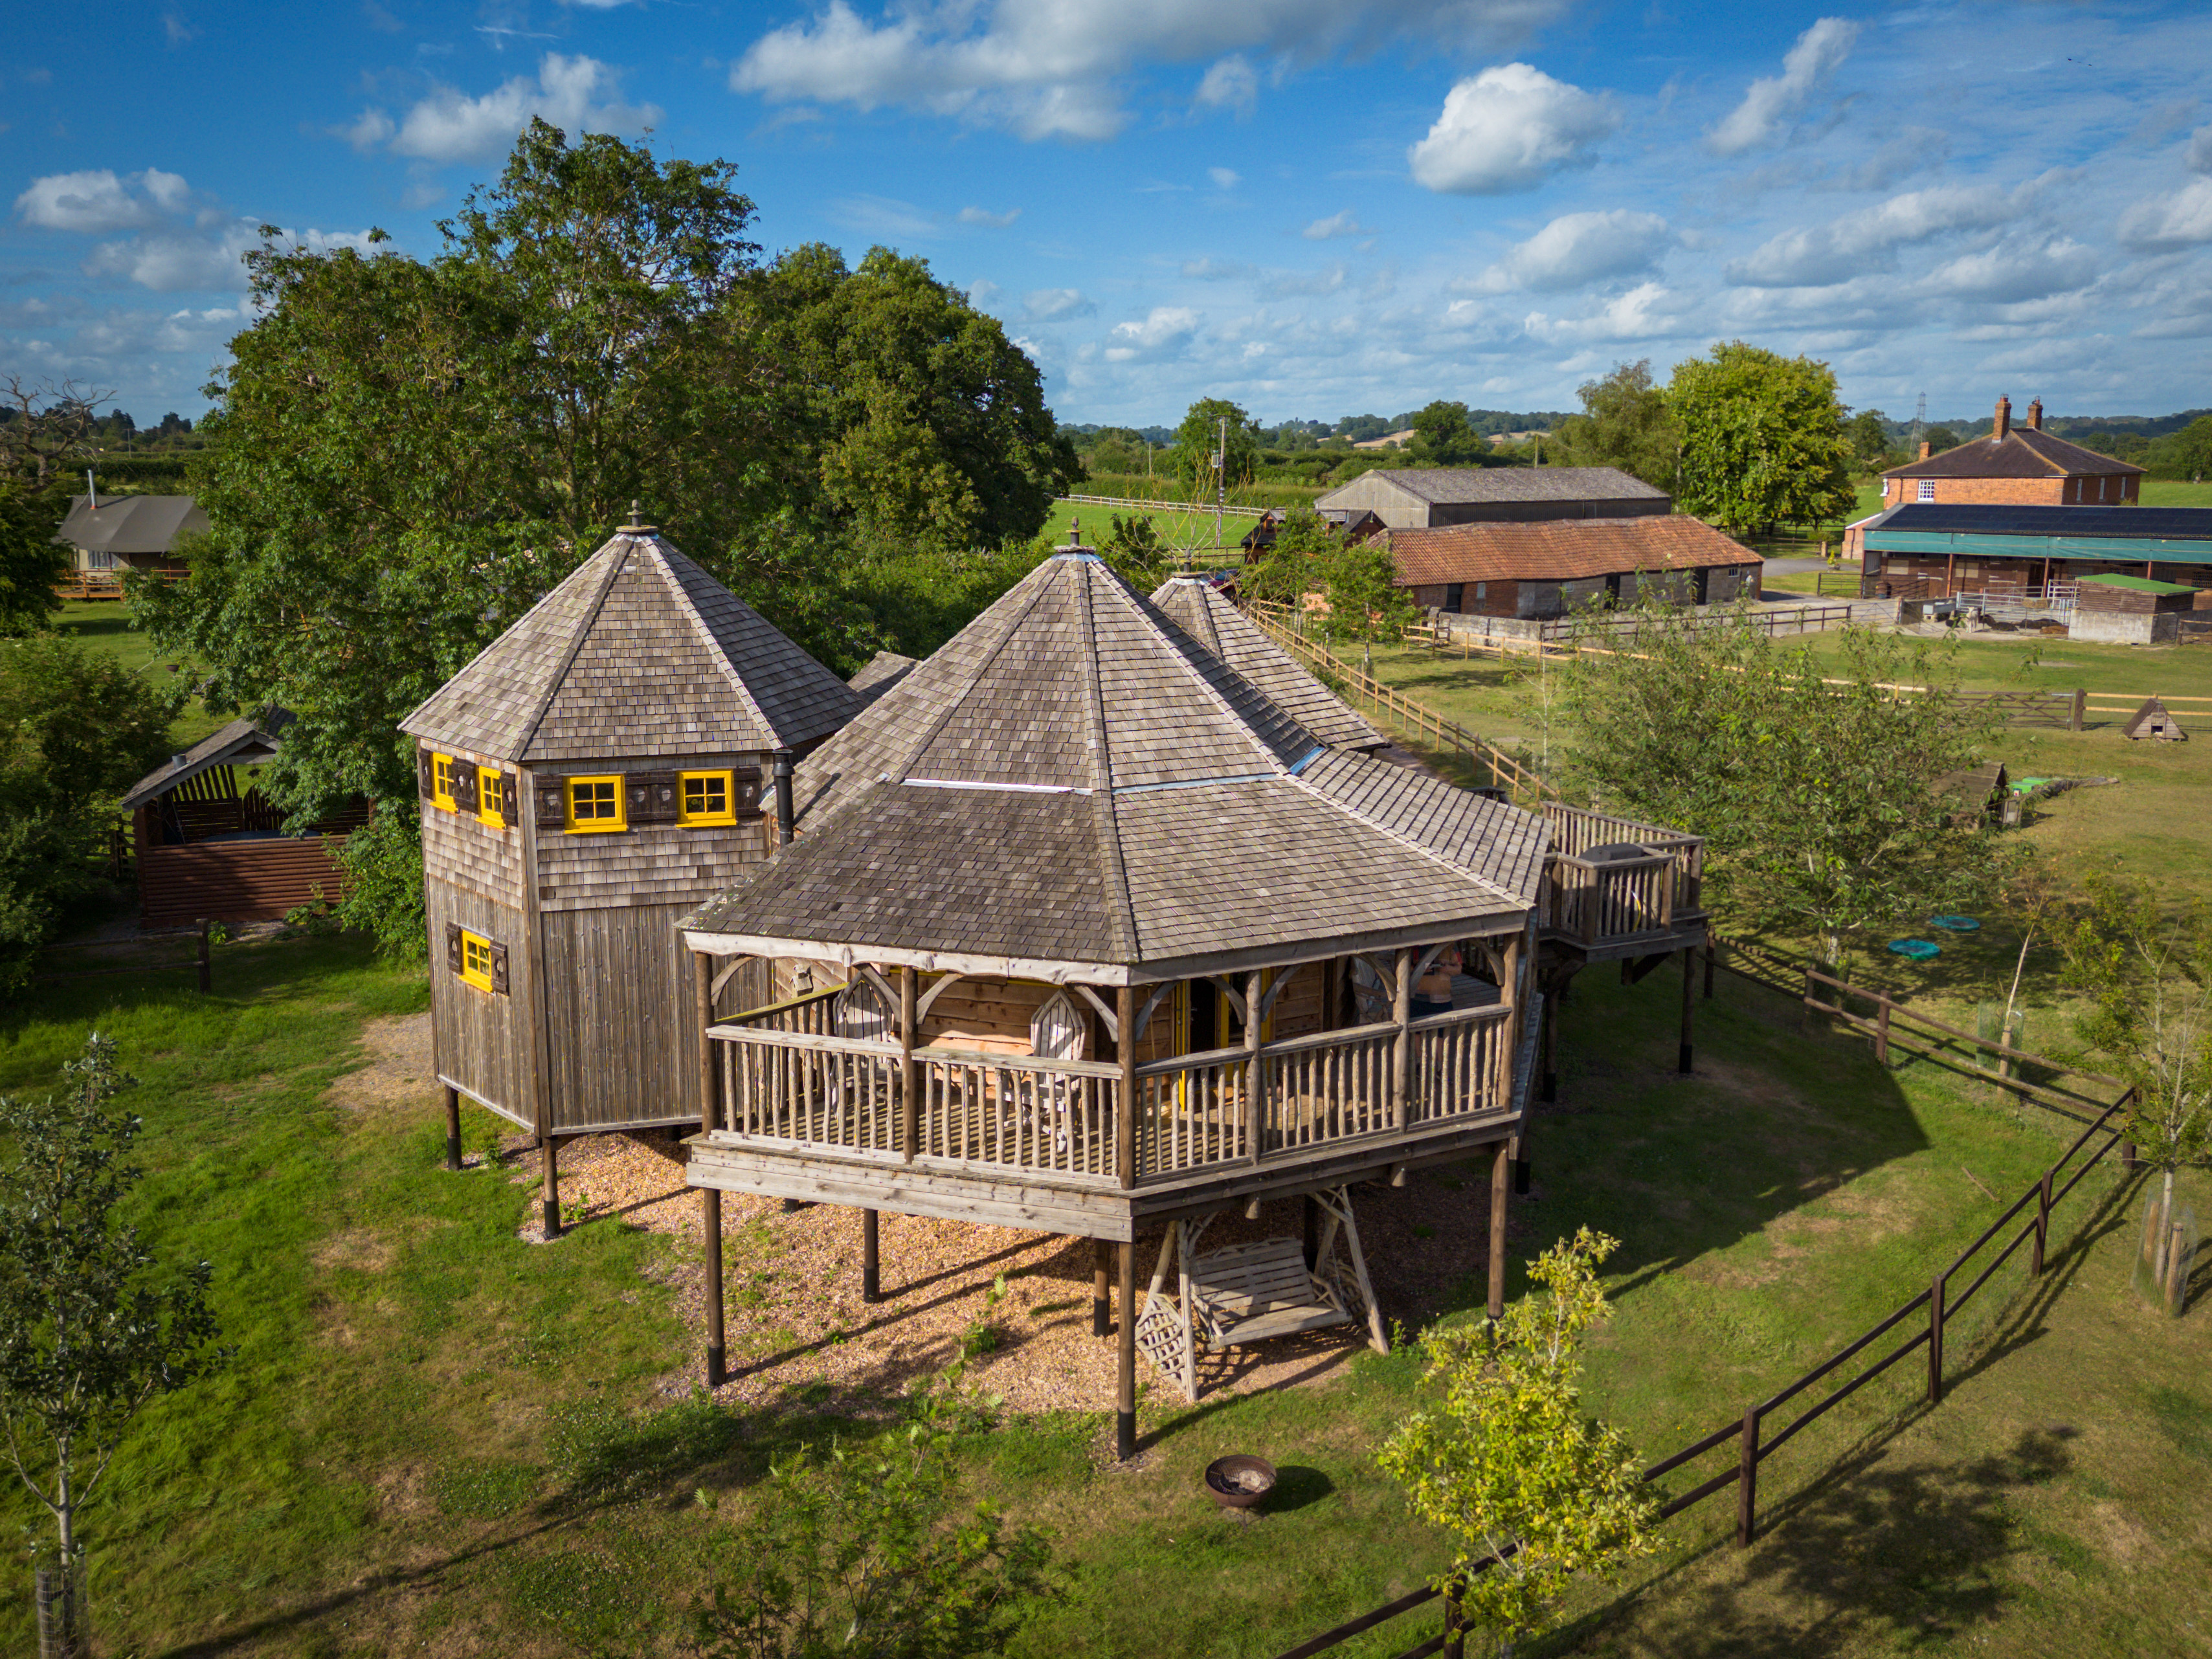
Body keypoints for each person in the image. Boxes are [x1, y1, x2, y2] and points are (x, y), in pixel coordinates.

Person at [1411, 948, 1460, 1019]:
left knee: (1442, 1029)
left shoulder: (1451, 945)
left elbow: (1459, 969)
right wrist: (1420, 969)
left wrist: (1448, 969)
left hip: (1443, 1000)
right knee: (1418, 1028)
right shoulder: (1414, 945)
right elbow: (1404, 969)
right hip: (1418, 1000)